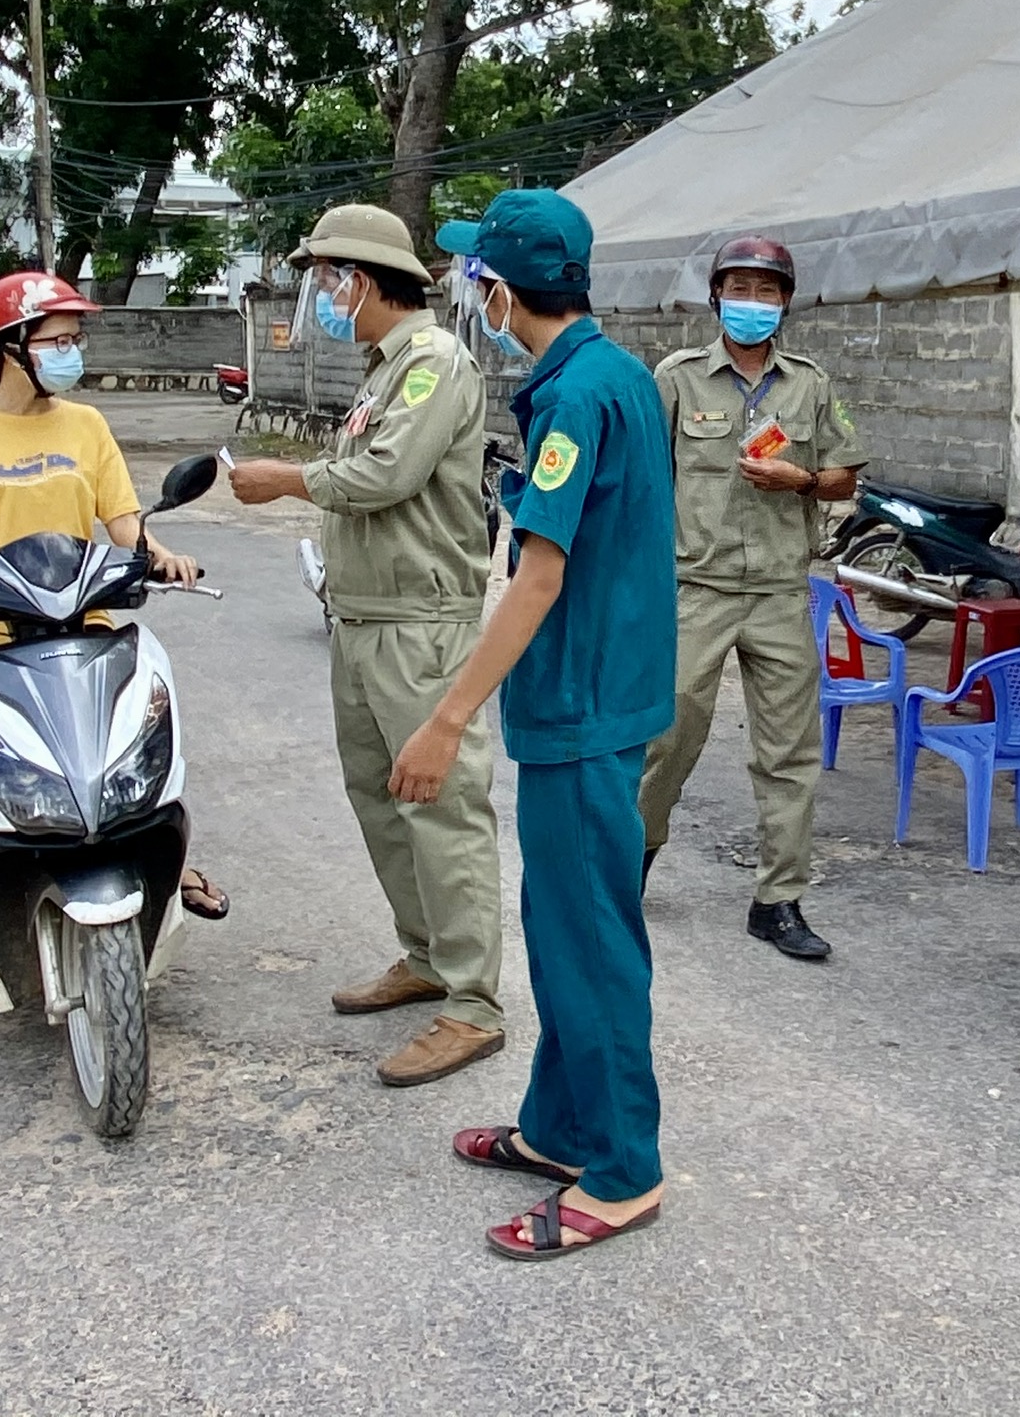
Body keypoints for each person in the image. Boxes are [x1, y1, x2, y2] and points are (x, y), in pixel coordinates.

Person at [394, 189, 674, 1261]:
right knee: (566, 931)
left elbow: (539, 576)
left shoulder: (574, 400)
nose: (473, 296)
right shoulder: (617, 373)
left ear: (501, 292)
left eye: (476, 279)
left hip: (580, 706)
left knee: (591, 945)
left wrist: (447, 719)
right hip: (608, 693)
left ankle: (622, 1172)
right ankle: (560, 1129)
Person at [0, 271, 207, 1063]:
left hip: (79, 628)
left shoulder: (87, 425)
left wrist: (159, 555)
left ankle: (173, 872)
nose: (71, 352)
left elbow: (126, 525)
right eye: (56, 340)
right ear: (11, 349)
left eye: (72, 339)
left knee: (142, 756)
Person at [227, 205, 505, 1088]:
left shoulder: (433, 363)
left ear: (360, 277)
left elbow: (386, 476)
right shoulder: (385, 370)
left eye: (326, 280)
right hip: (364, 617)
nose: (321, 297)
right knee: (381, 800)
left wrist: (285, 480)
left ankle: (472, 1003)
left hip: (420, 626)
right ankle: (425, 955)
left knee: (441, 810)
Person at [637, 237, 865, 961]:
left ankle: (779, 901)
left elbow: (844, 477)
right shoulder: (675, 377)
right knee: (665, 738)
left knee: (790, 753)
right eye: (740, 289)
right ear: (716, 297)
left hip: (776, 591)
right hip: (693, 588)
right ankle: (628, 867)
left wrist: (799, 480)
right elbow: (644, 478)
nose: (753, 304)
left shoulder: (810, 383)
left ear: (786, 302)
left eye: (767, 293)